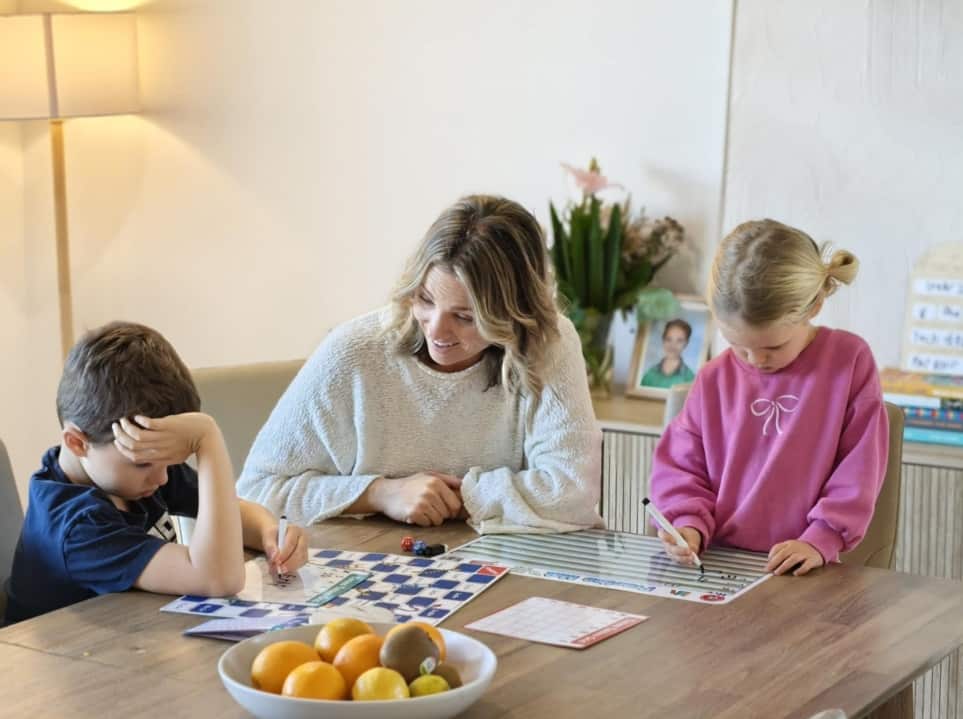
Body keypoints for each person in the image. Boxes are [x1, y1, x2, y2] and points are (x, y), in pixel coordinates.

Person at [237, 195, 602, 533]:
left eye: (465, 316)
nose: (436, 330)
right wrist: (381, 494)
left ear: (514, 316)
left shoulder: (548, 342)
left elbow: (572, 492)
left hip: (501, 565)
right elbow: (256, 491)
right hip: (371, 567)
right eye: (425, 299)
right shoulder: (351, 352)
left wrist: (460, 498)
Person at [4, 322, 308, 624]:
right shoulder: (76, 527)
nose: (163, 478)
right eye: (143, 463)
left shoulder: (140, 468)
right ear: (77, 443)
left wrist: (269, 533)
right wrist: (208, 438)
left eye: (168, 462)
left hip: (133, 636)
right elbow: (218, 579)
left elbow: (234, 513)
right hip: (67, 663)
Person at [649, 219, 888, 576]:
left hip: (806, 568)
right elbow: (682, 467)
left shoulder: (848, 362)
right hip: (717, 565)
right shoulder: (713, 378)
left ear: (814, 306)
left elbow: (860, 465)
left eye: (773, 346)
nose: (756, 360)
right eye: (738, 346)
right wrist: (686, 523)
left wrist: (820, 537)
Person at [640, 319, 696, 388]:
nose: (673, 345)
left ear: (686, 343)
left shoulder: (690, 378)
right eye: (669, 339)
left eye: (679, 340)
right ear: (663, 340)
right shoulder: (649, 374)